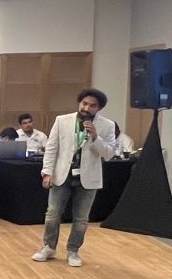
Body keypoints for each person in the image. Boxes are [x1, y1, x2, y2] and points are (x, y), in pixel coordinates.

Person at [33, 88, 117, 267]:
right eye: (84, 103)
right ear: (79, 103)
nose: (87, 107)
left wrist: (95, 136)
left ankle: (73, 251)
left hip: (89, 178)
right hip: (62, 174)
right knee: (52, 214)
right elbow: (52, 148)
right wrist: (47, 172)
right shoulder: (62, 120)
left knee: (81, 218)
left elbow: (109, 154)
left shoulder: (107, 125)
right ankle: (48, 246)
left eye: (92, 105)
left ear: (99, 108)